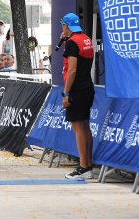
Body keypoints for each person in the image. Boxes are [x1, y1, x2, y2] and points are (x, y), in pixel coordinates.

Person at [60, 13, 95, 179]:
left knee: (78, 127)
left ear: (66, 26)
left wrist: (66, 93)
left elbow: (72, 70)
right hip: (87, 86)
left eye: (63, 26)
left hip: (76, 90)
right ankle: (88, 164)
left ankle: (83, 167)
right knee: (85, 126)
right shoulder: (86, 39)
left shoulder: (72, 43)